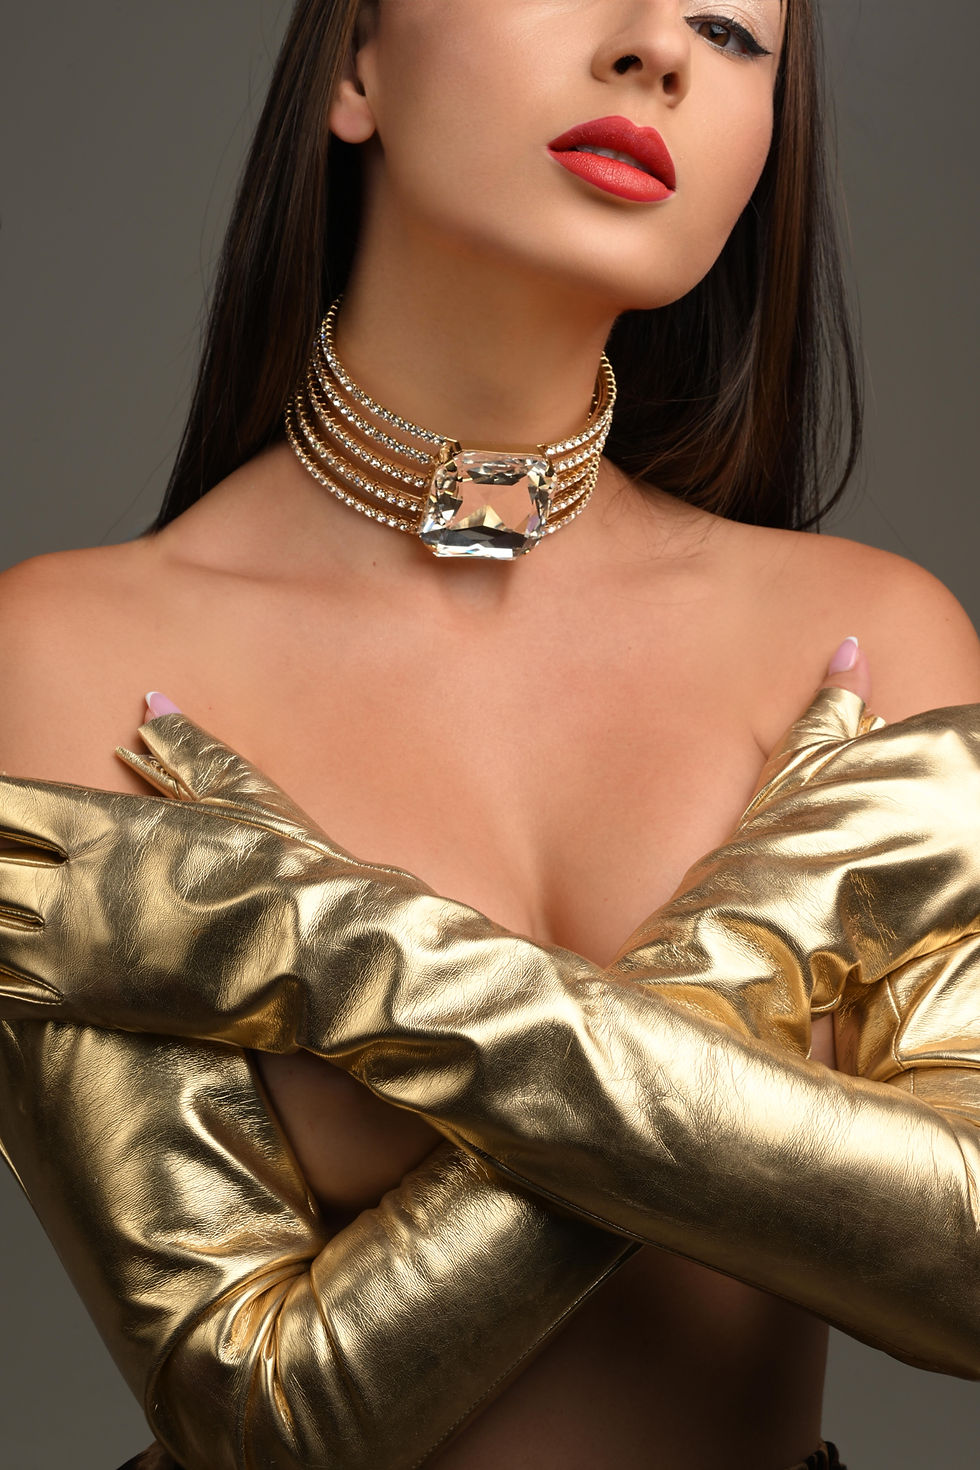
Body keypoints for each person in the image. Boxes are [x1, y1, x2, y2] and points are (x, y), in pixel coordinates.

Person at [1, 2, 978, 1467]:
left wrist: (322, 948)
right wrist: (768, 948)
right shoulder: (65, 659)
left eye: (732, 28)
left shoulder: (877, 636)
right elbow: (257, 1413)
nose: (658, 49)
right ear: (355, 63)